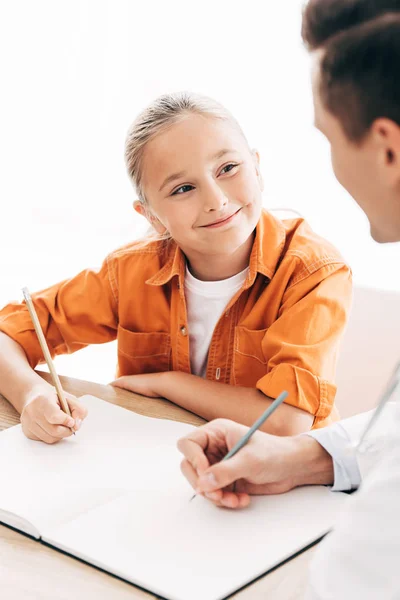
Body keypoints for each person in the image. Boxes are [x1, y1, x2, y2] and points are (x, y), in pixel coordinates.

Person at [178, 2, 400, 598]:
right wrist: (303, 459)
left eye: (328, 137)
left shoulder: (313, 268)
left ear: (387, 149)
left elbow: (355, 581)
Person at [0, 93, 351, 444]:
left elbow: (286, 420)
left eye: (228, 169)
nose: (216, 200)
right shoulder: (129, 271)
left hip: (285, 478)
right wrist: (30, 394)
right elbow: (7, 335)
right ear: (152, 216)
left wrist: (168, 383)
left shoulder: (312, 272)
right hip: (162, 461)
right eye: (183, 188)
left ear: (257, 168)